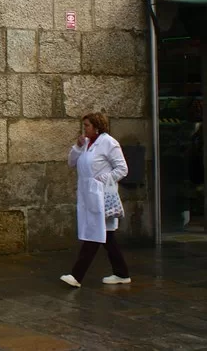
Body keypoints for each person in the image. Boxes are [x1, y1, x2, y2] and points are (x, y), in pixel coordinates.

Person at [61, 112, 131, 288]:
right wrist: (77, 147)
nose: (84, 129)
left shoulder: (109, 143)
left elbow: (122, 169)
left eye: (87, 125)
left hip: (101, 195)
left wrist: (103, 179)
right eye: (84, 125)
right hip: (88, 195)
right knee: (107, 237)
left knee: (94, 234)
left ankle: (76, 276)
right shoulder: (85, 144)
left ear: (97, 127)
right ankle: (122, 274)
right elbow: (71, 162)